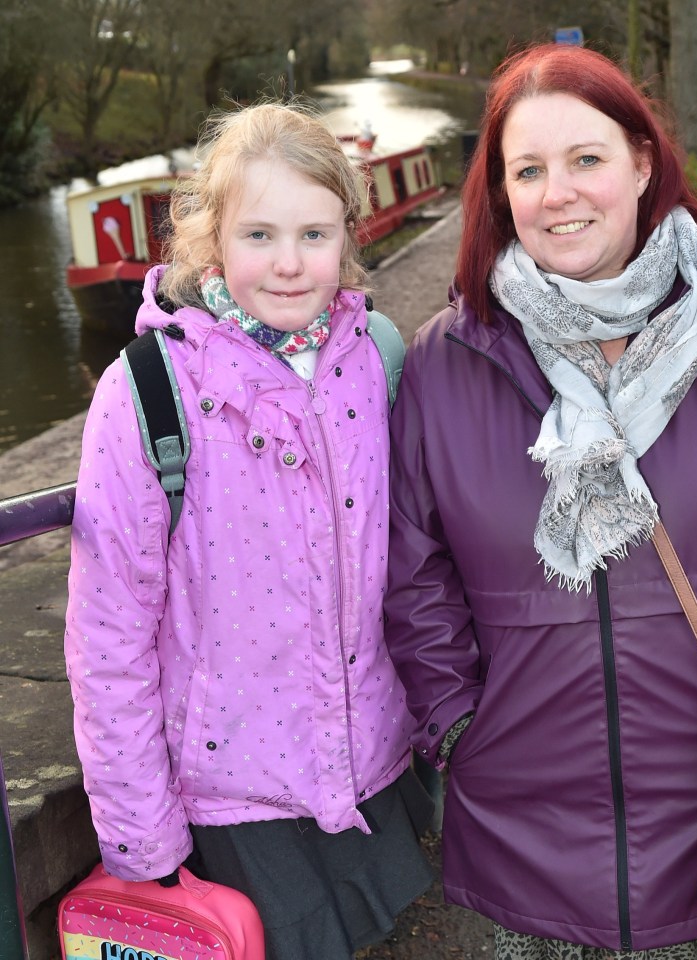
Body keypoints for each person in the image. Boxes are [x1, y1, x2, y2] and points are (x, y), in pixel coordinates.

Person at [383, 44, 697, 959]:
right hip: (526, 844)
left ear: (643, 162)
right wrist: (457, 727)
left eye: (586, 159)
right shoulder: (448, 360)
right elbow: (411, 568)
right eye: (528, 170)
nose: (557, 193)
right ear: (501, 192)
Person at [64, 101, 434, 960]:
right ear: (210, 236)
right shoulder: (149, 390)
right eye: (260, 234)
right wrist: (144, 842)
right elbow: (108, 634)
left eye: (315, 233)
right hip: (232, 802)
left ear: (349, 230)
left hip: (370, 770)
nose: (290, 263)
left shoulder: (375, 353)